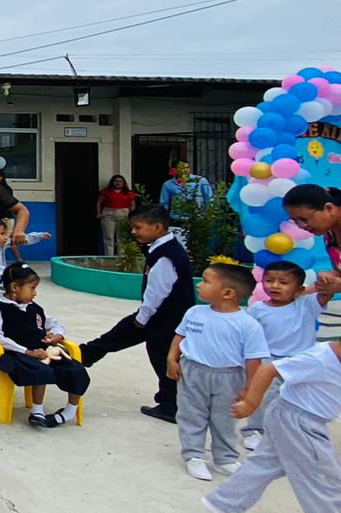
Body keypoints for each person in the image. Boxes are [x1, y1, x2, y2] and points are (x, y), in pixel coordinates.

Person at [200, 340, 341, 513]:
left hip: (293, 417)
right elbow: (268, 369)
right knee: (324, 481)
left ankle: (226, 503)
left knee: (265, 464)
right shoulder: (321, 359)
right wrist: (250, 403)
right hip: (300, 422)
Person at [79, 205, 195, 422]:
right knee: (121, 332)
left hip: (165, 319)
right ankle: (85, 354)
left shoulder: (166, 256)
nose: (134, 232)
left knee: (162, 358)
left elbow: (156, 293)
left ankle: (170, 406)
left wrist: (142, 318)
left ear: (157, 227)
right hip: (159, 316)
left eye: (138, 227)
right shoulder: (162, 248)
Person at [167, 263, 268, 481]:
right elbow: (180, 336)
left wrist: (249, 389)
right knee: (191, 415)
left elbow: (254, 359)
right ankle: (194, 455)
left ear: (228, 293)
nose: (199, 285)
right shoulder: (194, 312)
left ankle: (225, 458)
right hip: (192, 372)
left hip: (229, 377)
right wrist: (171, 359)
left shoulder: (248, 324)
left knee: (224, 418)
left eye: (206, 281)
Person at [0, 264, 90, 428]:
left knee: (76, 369)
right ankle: (37, 410)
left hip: (42, 353)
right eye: (32, 288)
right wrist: (28, 352)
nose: (35, 293)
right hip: (15, 355)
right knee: (41, 369)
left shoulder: (34, 308)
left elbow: (55, 324)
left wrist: (57, 335)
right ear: (15, 287)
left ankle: (69, 411)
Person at [242, 260, 331, 450]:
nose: (274, 286)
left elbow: (326, 293)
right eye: (269, 280)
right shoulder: (257, 309)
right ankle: (254, 430)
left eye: (283, 282)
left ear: (299, 289)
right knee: (264, 397)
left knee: (297, 399)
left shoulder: (306, 304)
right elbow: (248, 336)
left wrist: (326, 281)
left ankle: (291, 431)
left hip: (300, 361)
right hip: (268, 361)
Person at [282, 184, 341, 295]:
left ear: (329, 208)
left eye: (304, 219)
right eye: (295, 221)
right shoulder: (329, 234)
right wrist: (298, 296)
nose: (301, 226)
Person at [97, 174, 137, 256]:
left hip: (123, 213)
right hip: (108, 214)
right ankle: (109, 257)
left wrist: (131, 215)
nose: (118, 183)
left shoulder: (128, 193)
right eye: (116, 181)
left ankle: (121, 258)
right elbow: (99, 202)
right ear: (112, 182)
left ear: (123, 183)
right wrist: (99, 213)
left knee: (122, 237)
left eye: (120, 181)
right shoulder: (106, 192)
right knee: (108, 237)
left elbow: (132, 204)